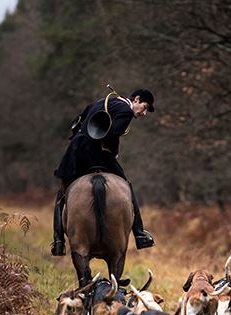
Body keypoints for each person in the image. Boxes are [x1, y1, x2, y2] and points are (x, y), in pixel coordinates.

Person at [51, 88, 156, 255]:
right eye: (144, 107)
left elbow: (80, 119)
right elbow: (113, 134)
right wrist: (113, 154)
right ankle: (140, 234)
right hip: (97, 152)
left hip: (76, 151)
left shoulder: (104, 101)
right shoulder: (125, 112)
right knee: (126, 186)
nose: (144, 113)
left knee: (63, 193)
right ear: (136, 100)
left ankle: (58, 240)